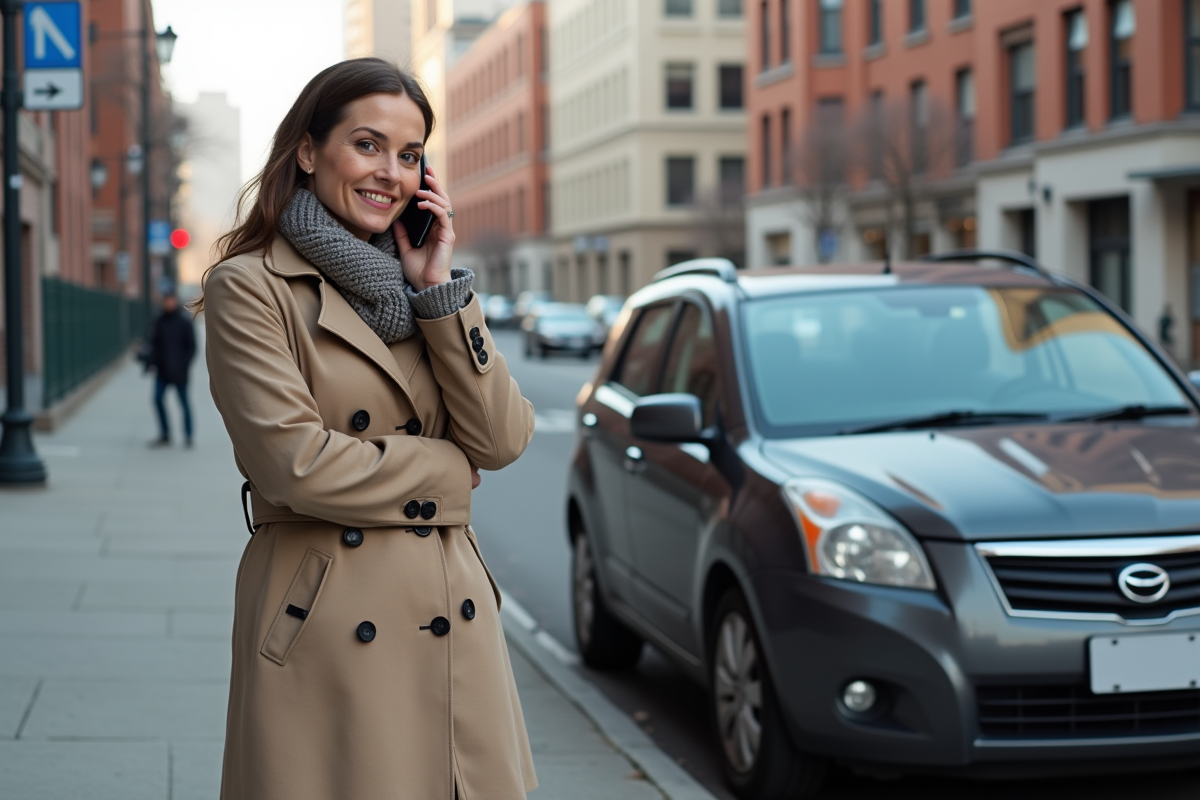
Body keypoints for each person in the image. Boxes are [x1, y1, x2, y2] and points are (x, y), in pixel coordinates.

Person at [194, 59, 536, 800]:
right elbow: (295, 464)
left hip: (451, 629)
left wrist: (441, 294)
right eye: (369, 145)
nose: (392, 173)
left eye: (410, 155)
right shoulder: (250, 287)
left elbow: (504, 440)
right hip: (326, 625)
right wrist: (448, 473)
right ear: (310, 151)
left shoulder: (422, 293)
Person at [145, 291, 196, 447]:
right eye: (166, 301)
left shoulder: (184, 322)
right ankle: (165, 434)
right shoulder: (159, 321)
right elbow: (153, 344)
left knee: (184, 403)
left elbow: (192, 347)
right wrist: (149, 362)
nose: (168, 304)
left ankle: (188, 436)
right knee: (157, 399)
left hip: (180, 372)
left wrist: (183, 365)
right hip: (162, 371)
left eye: (171, 301)